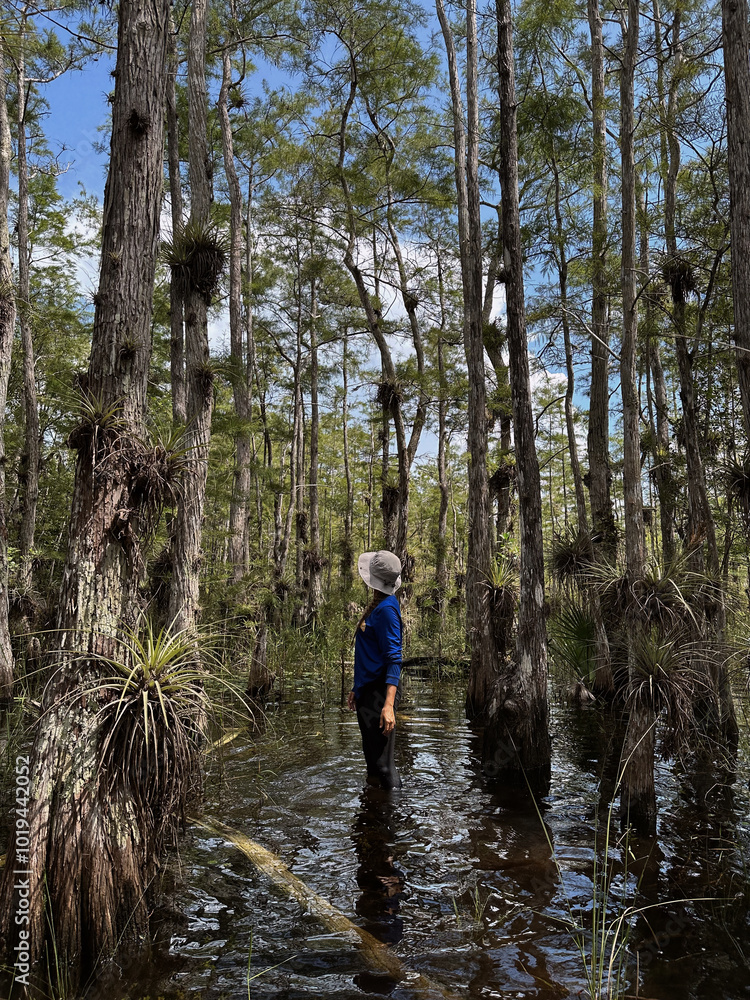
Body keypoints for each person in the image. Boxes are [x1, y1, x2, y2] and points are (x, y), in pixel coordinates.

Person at [348, 550, 403, 790]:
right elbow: (370, 655)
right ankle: (373, 815)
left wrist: (388, 706)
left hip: (380, 695)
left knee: (383, 765)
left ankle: (393, 819)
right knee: (372, 761)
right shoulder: (379, 606)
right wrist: (356, 688)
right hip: (367, 692)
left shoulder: (386, 611)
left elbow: (394, 659)